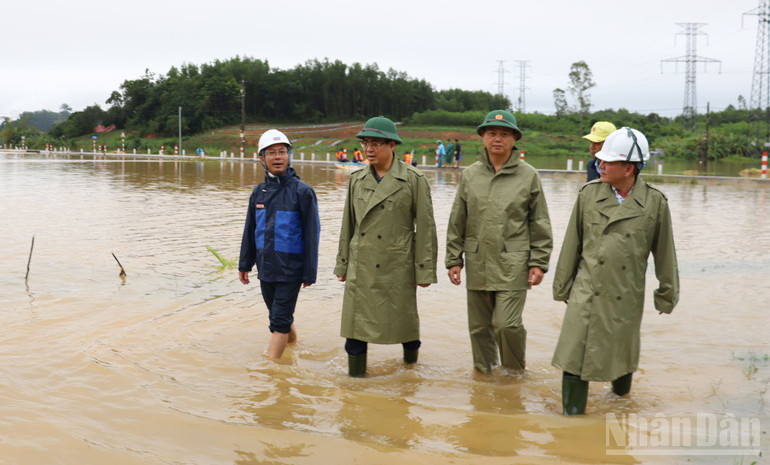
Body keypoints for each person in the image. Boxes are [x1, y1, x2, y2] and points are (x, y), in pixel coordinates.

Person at [551, 127, 679, 415]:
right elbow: (572, 243)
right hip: (587, 287)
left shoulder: (655, 202)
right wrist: (563, 286)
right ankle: (572, 424)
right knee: (573, 354)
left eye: (608, 161)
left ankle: (621, 409)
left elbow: (665, 253)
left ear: (629, 168)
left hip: (626, 292)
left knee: (622, 356)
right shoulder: (588, 194)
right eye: (601, 159)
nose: (600, 164)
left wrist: (666, 294)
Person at [446, 110, 553, 374]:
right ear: (482, 136)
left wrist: (539, 262)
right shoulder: (470, 175)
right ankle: (483, 376)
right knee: (480, 327)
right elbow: (457, 219)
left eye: (505, 134)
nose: (497, 139)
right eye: (492, 133)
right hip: (478, 260)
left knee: (507, 324)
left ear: (514, 139)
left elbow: (539, 222)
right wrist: (453, 260)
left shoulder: (528, 176)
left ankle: (515, 374)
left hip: (513, 263)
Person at [335, 116, 438, 377]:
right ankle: (355, 386)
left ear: (392, 145)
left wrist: (424, 269)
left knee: (406, 329)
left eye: (376, 143)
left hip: (397, 265)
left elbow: (426, 227)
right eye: (366, 142)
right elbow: (348, 224)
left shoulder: (414, 179)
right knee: (355, 334)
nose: (369, 149)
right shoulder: (357, 179)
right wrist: (343, 263)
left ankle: (410, 373)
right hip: (363, 264)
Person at [238, 129, 320, 360]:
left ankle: (272, 370)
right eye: (271, 152)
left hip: (290, 269)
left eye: (282, 152)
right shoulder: (258, 193)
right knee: (278, 316)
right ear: (261, 158)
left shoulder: (302, 192)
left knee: (279, 322)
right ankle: (293, 343)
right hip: (266, 268)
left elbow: (312, 235)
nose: (277, 157)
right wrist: (245, 263)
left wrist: (309, 272)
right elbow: (250, 230)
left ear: (289, 155)